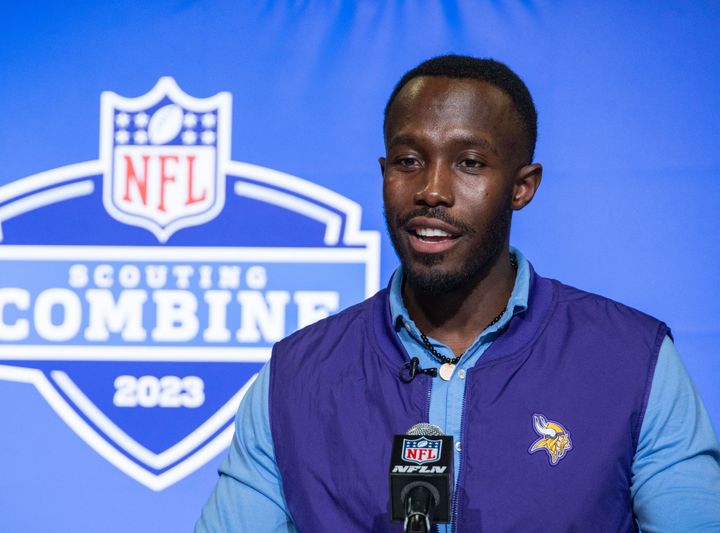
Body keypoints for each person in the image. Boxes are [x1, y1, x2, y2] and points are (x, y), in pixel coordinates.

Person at [196, 55, 720, 532]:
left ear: (523, 186)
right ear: (383, 173)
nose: (432, 190)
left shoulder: (633, 360)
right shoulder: (295, 375)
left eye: (469, 162)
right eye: (408, 160)